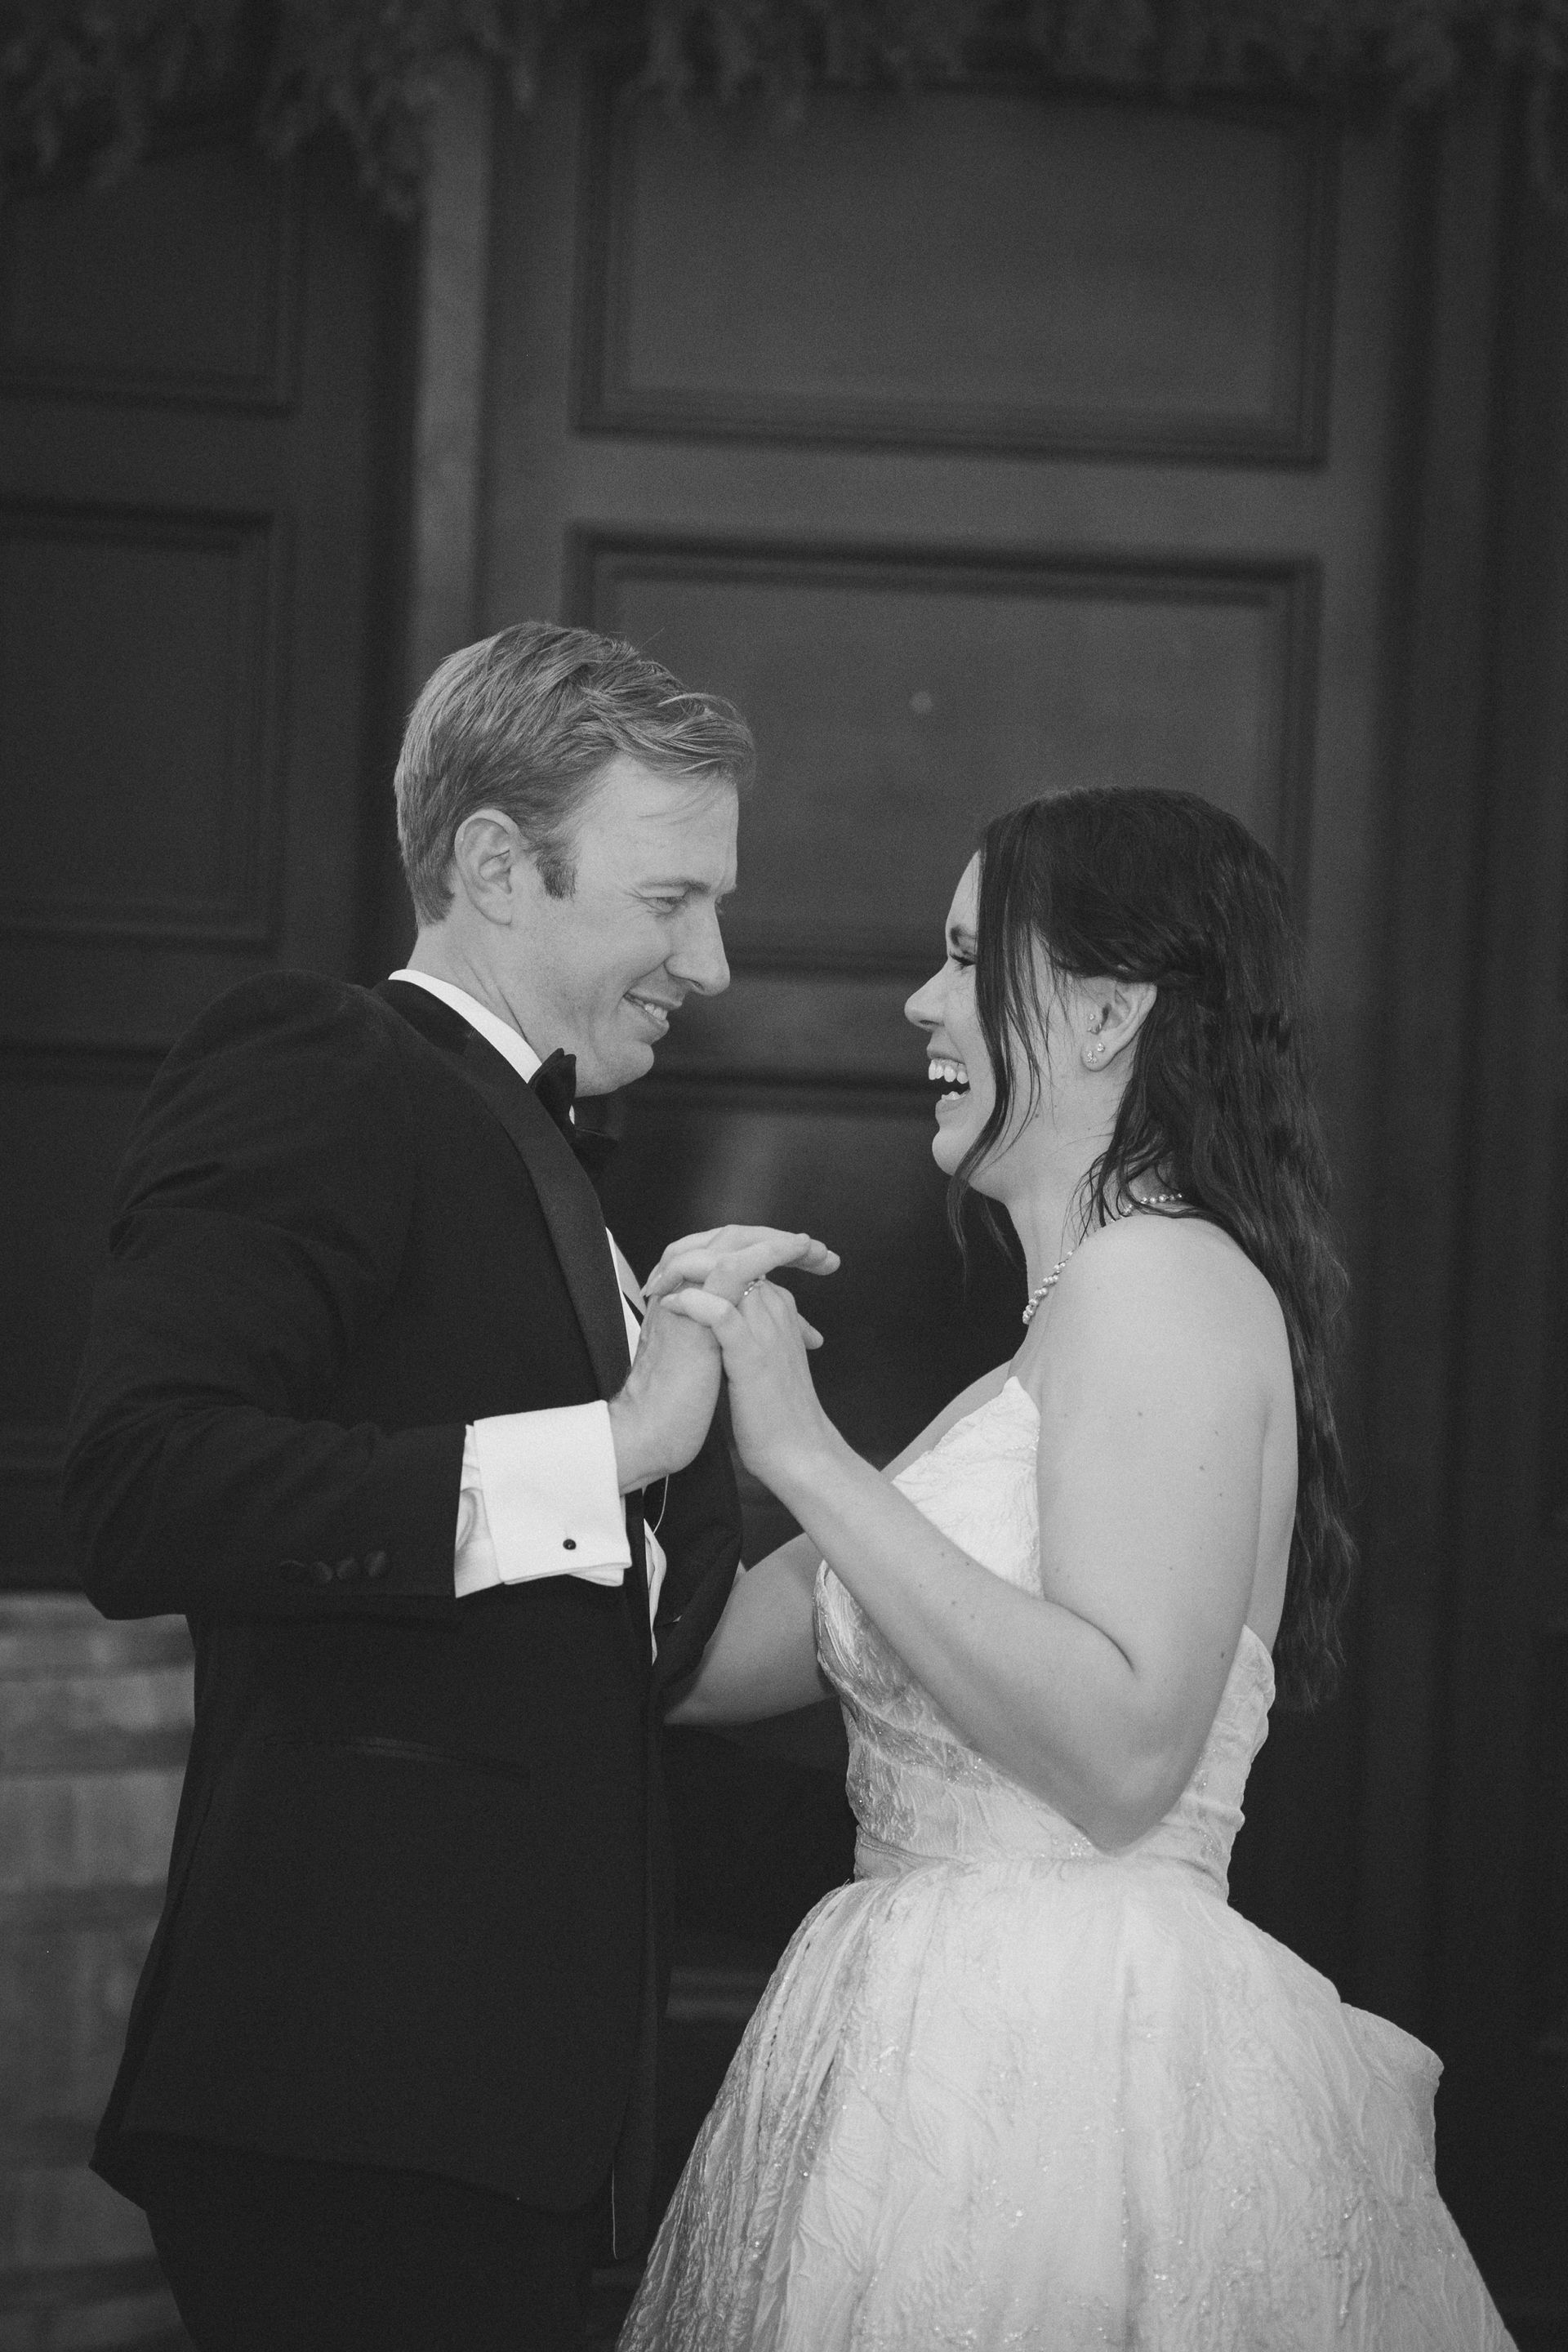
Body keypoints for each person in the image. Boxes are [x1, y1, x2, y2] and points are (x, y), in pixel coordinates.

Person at [621, 786, 1516, 2350]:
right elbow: (701, 1664)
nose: (919, 1002)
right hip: (920, 2059)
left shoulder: (1159, 1283)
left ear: (1105, 1017)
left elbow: (1122, 1751)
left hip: (1079, 2075)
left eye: (968, 958)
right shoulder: (1032, 1363)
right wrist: (676, 1393)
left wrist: (811, 1452)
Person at [61, 621, 835, 2352]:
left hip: (491, 2117)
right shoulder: (319, 1067)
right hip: (354, 2093)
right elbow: (139, 1485)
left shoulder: (542, 1148)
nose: (707, 961)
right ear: (496, 862)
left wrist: (711, 1410)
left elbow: (610, 1650)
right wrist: (613, 1447)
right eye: (665, 902)